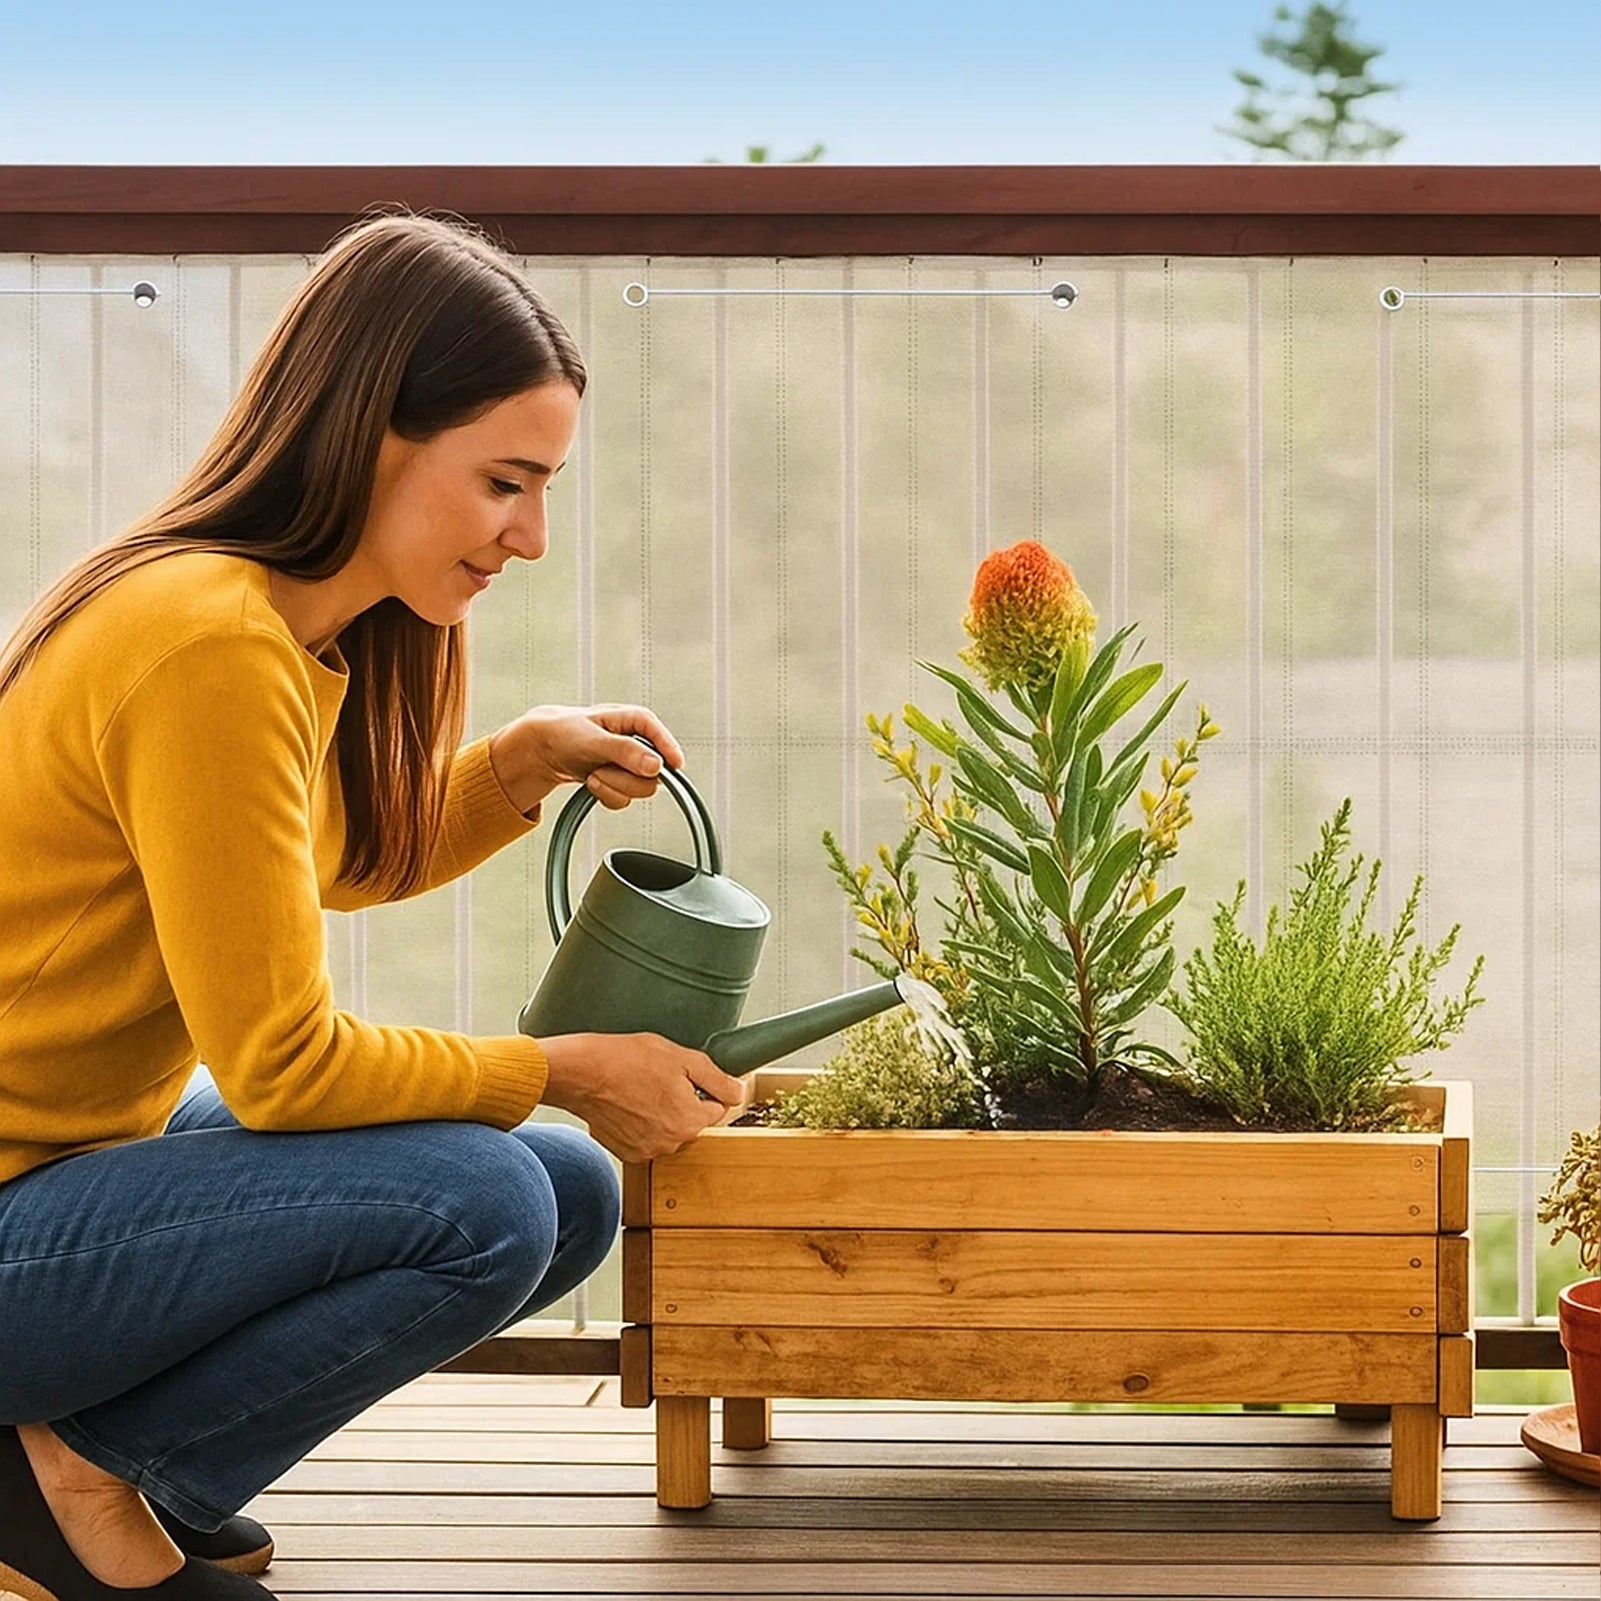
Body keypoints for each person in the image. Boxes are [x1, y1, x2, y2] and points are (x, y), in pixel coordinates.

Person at [0, 211, 745, 1601]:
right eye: (504, 482)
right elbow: (281, 1065)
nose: (528, 536)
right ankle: (71, 1472)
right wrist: (562, 1066)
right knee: (480, 1197)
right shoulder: (207, 644)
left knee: (562, 1184)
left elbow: (320, 857)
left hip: (59, 1167)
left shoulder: (269, 631)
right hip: (15, 1214)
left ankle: (114, 1462)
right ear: (374, 434)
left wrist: (516, 765)